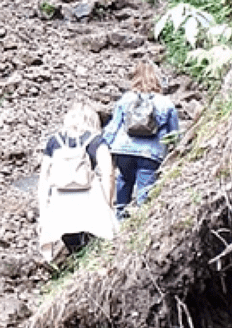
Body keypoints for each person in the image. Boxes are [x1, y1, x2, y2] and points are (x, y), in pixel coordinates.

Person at [37, 103, 118, 262]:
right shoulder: (96, 141)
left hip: (60, 201)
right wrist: (108, 203)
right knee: (95, 242)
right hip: (89, 199)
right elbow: (108, 173)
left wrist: (43, 208)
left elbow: (44, 177)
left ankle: (74, 264)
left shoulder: (54, 142)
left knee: (70, 241)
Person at [102, 61, 180, 218]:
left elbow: (112, 128)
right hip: (150, 154)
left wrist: (102, 148)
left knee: (124, 179)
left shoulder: (125, 99)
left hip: (123, 151)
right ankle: (138, 225)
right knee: (144, 191)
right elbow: (175, 134)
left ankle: (120, 219)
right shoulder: (166, 103)